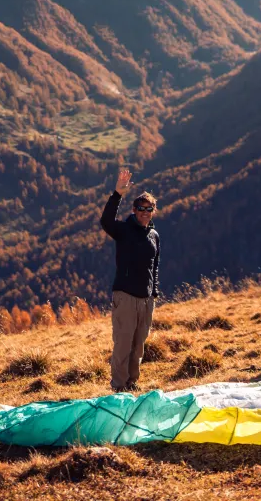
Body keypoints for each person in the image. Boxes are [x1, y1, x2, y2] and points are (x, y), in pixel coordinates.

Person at [100, 167, 160, 392]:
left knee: (138, 346)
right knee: (123, 344)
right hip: (125, 296)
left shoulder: (154, 235)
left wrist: (154, 293)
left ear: (153, 211)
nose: (145, 212)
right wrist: (117, 194)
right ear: (134, 210)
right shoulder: (124, 230)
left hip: (146, 300)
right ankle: (118, 387)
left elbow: (155, 265)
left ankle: (132, 384)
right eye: (141, 208)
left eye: (149, 209)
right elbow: (106, 221)